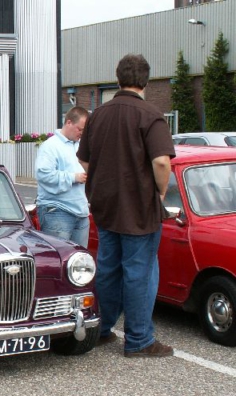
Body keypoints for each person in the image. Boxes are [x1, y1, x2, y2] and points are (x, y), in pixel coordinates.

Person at [77, 54, 175, 357]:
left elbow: (83, 159)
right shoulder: (150, 115)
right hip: (139, 210)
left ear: (118, 79)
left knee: (107, 269)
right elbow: (161, 161)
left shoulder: (99, 115)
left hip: (106, 206)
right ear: (145, 81)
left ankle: (102, 329)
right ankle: (139, 340)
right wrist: (160, 193)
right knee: (139, 273)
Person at [35, 106, 90, 247]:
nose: (82, 134)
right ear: (69, 122)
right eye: (80, 129)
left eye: (85, 130)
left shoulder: (81, 146)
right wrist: (73, 177)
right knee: (59, 261)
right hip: (57, 211)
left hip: (81, 212)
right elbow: (43, 174)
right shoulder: (50, 146)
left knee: (80, 263)